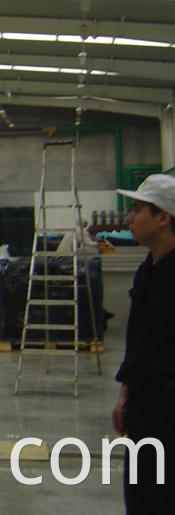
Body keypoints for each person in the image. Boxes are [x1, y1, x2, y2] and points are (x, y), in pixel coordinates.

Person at [112, 174, 175, 512]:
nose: (128, 219)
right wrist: (125, 394)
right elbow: (138, 340)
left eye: (137, 210)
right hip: (143, 406)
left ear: (163, 216)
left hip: (168, 409)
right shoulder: (146, 270)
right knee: (140, 499)